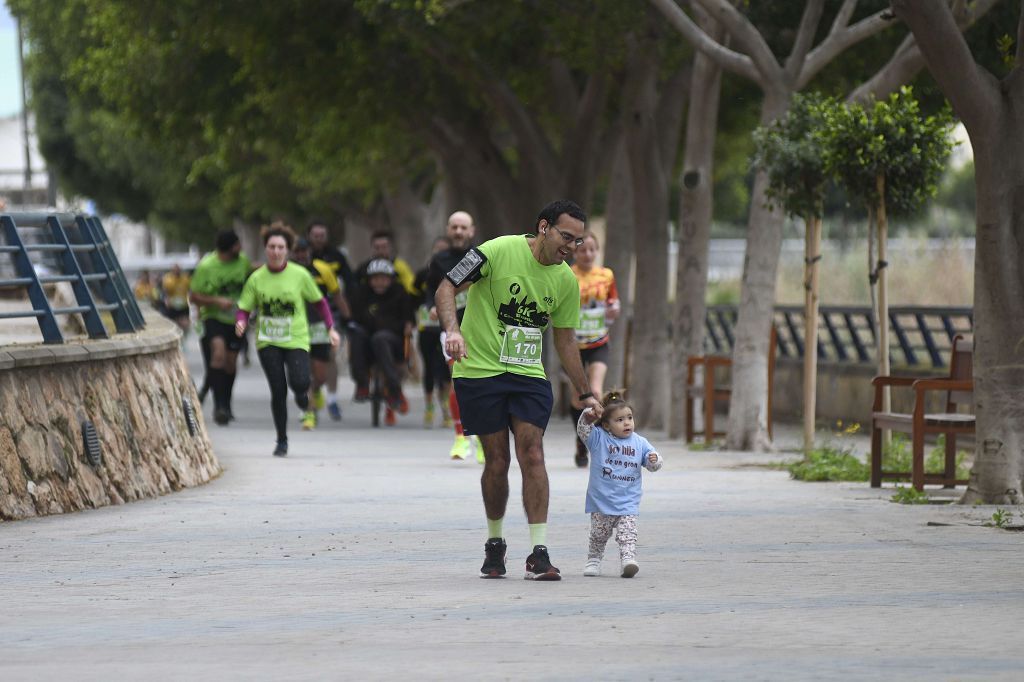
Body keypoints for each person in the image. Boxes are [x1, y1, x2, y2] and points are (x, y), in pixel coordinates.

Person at [435, 199, 602, 581]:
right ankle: (495, 544)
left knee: (532, 453)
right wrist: (453, 330)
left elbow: (564, 341)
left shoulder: (565, 281)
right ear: (544, 227)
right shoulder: (496, 250)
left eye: (577, 241)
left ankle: (539, 553)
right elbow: (446, 287)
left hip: (527, 374)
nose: (571, 247)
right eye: (565, 236)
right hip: (479, 371)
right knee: (497, 460)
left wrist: (584, 391)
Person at [236, 222, 340, 456]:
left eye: (280, 247)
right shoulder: (256, 278)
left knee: (301, 381)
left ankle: (303, 397)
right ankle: (281, 440)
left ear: (287, 250)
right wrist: (241, 321)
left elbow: (320, 303)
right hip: (268, 341)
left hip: (296, 339)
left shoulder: (300, 275)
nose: (275, 251)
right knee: (278, 389)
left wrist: (331, 328)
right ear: (266, 249)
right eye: (272, 247)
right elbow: (244, 307)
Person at [577, 390, 662, 578]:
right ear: (606, 425)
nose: (627, 423)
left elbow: (652, 463)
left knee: (628, 534)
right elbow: (583, 429)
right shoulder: (599, 438)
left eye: (629, 418)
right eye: (620, 420)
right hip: (601, 501)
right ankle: (593, 560)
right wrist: (587, 415)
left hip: (628, 501)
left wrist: (654, 460)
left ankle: (628, 560)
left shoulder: (640, 442)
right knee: (599, 535)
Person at [424, 211, 481, 461]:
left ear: (472, 231)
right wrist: (432, 307)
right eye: (454, 227)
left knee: (481, 384)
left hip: (481, 330)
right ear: (448, 229)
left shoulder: (482, 257)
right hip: (451, 329)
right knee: (458, 380)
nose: (458, 232)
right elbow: (430, 291)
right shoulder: (439, 260)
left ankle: (481, 438)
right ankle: (460, 437)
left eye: (463, 227)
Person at [189, 230, 251, 425]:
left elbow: (251, 277)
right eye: (238, 244)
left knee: (231, 363)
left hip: (236, 320)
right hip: (213, 317)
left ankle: (227, 402)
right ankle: (218, 406)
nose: (240, 248)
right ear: (231, 247)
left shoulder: (242, 262)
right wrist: (216, 300)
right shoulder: (207, 266)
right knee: (218, 355)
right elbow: (194, 296)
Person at [569, 231, 620, 467]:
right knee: (578, 396)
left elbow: (613, 302)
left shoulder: (606, 275)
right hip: (572, 344)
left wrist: (613, 310)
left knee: (596, 392)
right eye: (582, 250)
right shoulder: (567, 274)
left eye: (592, 249)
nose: (587, 254)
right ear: (574, 252)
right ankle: (581, 440)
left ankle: (595, 441)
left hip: (599, 339)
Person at [291, 238, 351, 429]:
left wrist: (348, 317)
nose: (301, 255)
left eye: (304, 251)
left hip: (318, 326)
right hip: (295, 327)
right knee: (301, 372)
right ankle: (308, 413)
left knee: (320, 375)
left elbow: (336, 295)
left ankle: (317, 392)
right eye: (297, 252)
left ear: (310, 252)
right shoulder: (287, 270)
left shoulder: (323, 270)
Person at [348, 258, 415, 424]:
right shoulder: (362, 293)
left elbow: (409, 319)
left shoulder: (400, 292)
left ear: (391, 279)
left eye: (384, 278)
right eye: (375, 278)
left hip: (393, 343)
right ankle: (362, 382)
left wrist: (407, 326)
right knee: (356, 335)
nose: (379, 282)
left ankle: (394, 389)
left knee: (380, 339)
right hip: (368, 342)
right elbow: (355, 318)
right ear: (369, 280)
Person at [307, 220, 354, 421]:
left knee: (331, 355)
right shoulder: (301, 256)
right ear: (309, 236)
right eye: (315, 235)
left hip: (330, 313)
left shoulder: (336, 257)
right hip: (304, 315)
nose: (318, 239)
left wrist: (349, 316)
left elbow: (348, 284)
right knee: (311, 360)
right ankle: (313, 393)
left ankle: (332, 399)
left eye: (322, 235)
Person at [413, 236, 453, 429]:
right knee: (429, 367)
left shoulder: (456, 272)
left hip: (446, 328)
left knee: (446, 369)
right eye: (437, 250)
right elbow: (413, 297)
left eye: (443, 250)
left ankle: (445, 407)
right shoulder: (423, 274)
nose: (439, 254)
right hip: (426, 328)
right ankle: (429, 405)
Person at [354, 230, 417, 295]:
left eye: (384, 247)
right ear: (371, 248)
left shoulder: (400, 266)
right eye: (377, 248)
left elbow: (411, 287)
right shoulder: (364, 268)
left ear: (390, 247)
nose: (380, 251)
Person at [161, 263, 192, 335]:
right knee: (174, 325)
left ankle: (184, 339)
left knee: (185, 324)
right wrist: (166, 300)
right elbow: (164, 292)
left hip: (183, 305)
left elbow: (190, 290)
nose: (177, 272)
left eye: (178, 270)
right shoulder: (167, 279)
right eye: (175, 270)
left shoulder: (185, 278)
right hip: (172, 305)